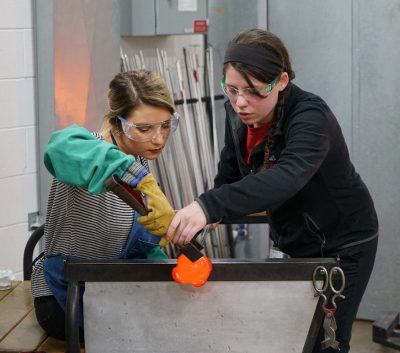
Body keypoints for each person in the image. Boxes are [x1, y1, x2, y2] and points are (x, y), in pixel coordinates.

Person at [166, 29, 378, 353]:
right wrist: (204, 215)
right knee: (288, 336)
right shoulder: (237, 114)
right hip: (293, 235)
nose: (240, 102)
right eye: (232, 88)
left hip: (342, 241)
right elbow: (230, 173)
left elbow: (286, 177)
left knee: (326, 341)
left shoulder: (310, 117)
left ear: (281, 81)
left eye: (252, 91)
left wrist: (210, 205)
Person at [31, 69, 178, 341]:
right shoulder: (86, 152)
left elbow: (139, 247)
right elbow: (56, 147)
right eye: (145, 129)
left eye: (166, 125)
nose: (158, 138)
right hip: (64, 298)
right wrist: (137, 178)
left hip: (110, 291)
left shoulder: (139, 160)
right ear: (117, 121)